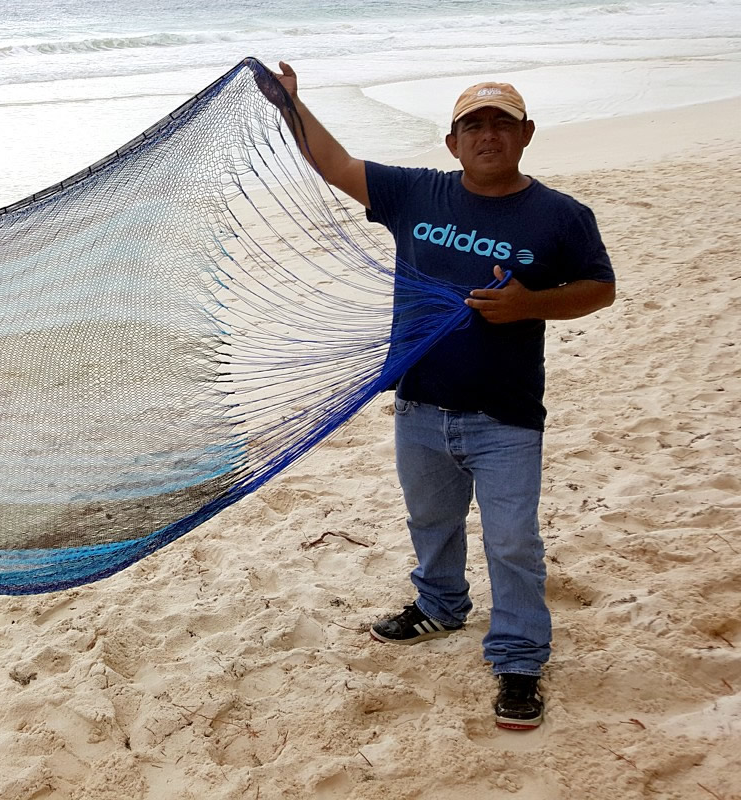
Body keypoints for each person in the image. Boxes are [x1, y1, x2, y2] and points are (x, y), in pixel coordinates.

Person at [262, 64, 615, 729]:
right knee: (431, 523)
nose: (488, 136)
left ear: (526, 135)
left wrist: (529, 305)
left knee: (512, 541)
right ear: (452, 143)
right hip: (421, 405)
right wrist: (292, 106)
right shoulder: (414, 194)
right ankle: (440, 606)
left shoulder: (561, 216)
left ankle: (517, 658)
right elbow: (333, 162)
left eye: (502, 124)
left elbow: (600, 288)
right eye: (473, 125)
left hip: (507, 413)